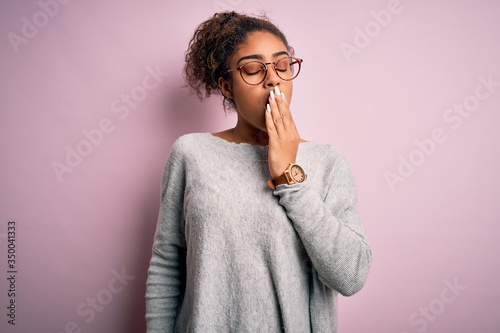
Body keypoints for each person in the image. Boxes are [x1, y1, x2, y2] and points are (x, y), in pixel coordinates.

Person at [146, 11, 372, 332]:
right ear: (226, 86)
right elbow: (167, 265)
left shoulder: (327, 161)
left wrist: (288, 176)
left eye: (282, 66)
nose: (273, 79)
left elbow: (351, 276)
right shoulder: (191, 154)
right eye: (253, 69)